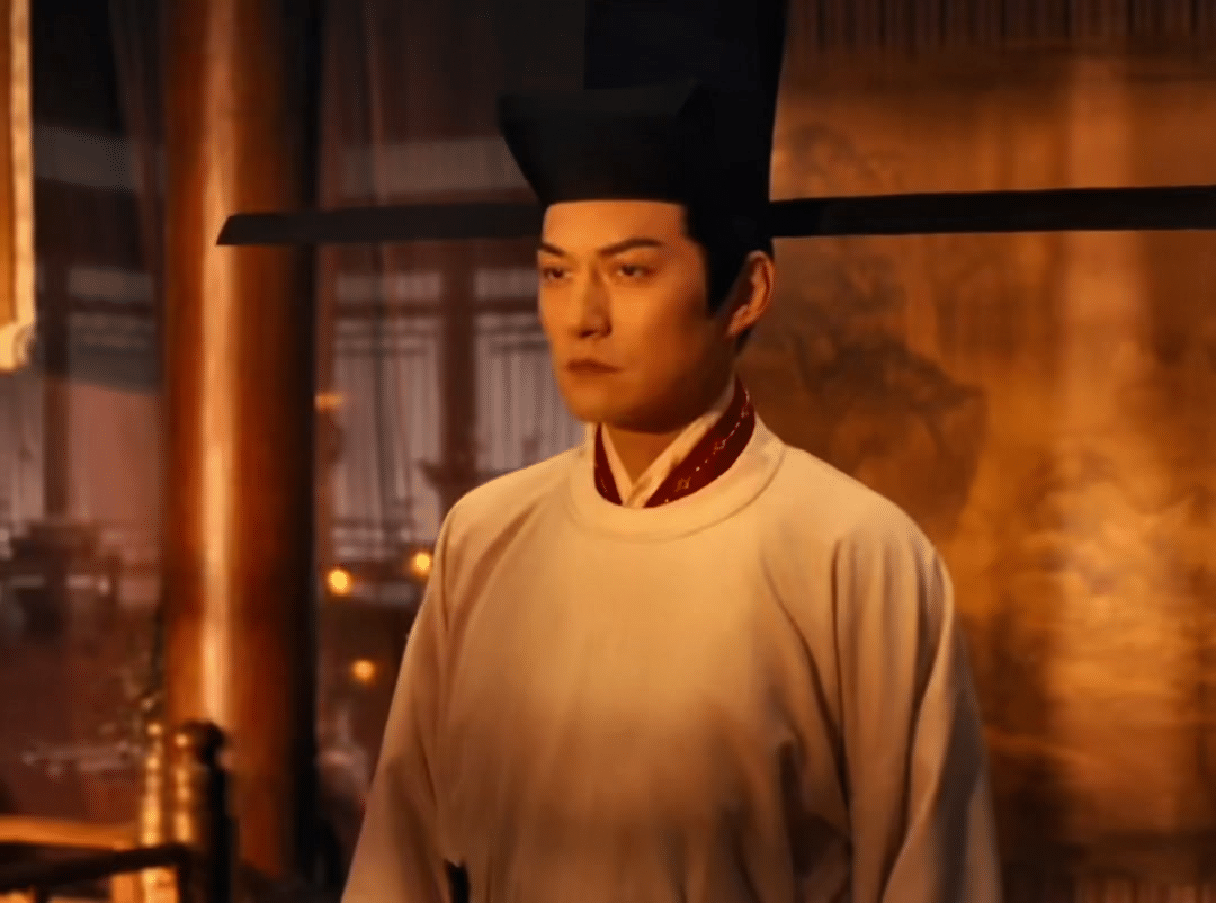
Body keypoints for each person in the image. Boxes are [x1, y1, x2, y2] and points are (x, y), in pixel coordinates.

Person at [342, 1, 1001, 901]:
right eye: (555, 271)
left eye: (631, 270)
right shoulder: (484, 536)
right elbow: (401, 864)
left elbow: (933, 878)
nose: (583, 316)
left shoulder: (857, 555)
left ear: (747, 292)